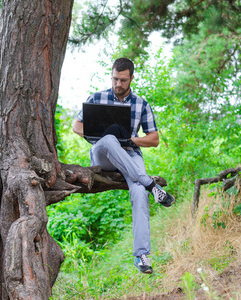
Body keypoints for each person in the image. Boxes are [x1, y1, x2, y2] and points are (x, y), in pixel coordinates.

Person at [72, 58, 175, 274]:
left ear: (131, 78)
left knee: (139, 192)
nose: (118, 84)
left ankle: (141, 256)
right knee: (109, 139)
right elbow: (76, 126)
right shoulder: (97, 97)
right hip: (103, 154)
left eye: (123, 80)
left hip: (130, 154)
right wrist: (93, 135)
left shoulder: (141, 103)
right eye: (115, 79)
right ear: (111, 75)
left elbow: (154, 139)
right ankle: (150, 183)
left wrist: (132, 139)